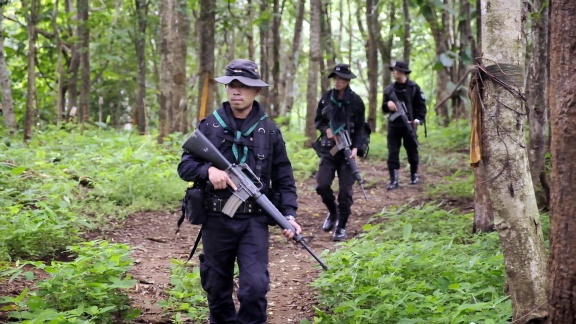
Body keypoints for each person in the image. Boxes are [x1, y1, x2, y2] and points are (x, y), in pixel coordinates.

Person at [177, 59, 301, 324]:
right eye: (232, 85)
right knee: (216, 285)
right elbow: (185, 166)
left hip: (253, 220)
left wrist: (288, 215)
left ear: (256, 91)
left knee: (255, 287)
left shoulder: (269, 130)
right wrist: (208, 172)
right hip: (216, 218)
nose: (236, 91)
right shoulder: (209, 125)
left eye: (243, 86)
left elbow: (284, 177)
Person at [313, 63, 366, 241]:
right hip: (329, 149)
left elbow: (361, 129)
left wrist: (356, 149)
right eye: (335, 78)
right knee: (322, 185)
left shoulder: (356, 101)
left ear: (347, 80)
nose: (337, 81)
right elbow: (318, 121)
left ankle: (341, 227)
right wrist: (326, 129)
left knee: (345, 192)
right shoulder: (326, 98)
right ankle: (333, 212)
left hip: (348, 151)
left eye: (341, 78)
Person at [382, 60, 427, 190]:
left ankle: (414, 175)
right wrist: (388, 105)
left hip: (410, 125)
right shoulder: (389, 89)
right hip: (394, 125)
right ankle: (394, 180)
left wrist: (419, 120)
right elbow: (384, 108)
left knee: (412, 151)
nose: (394, 72)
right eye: (394, 70)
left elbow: (421, 106)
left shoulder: (414, 87)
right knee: (393, 152)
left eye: (397, 70)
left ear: (403, 72)